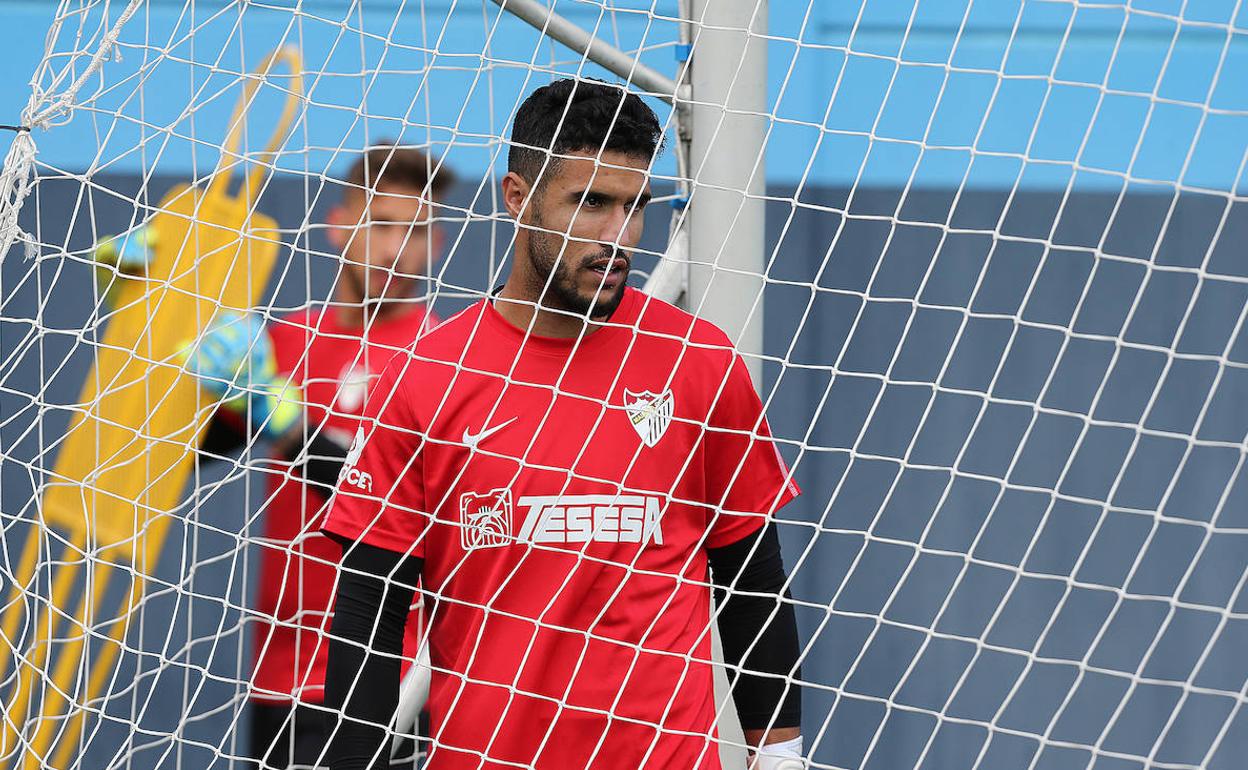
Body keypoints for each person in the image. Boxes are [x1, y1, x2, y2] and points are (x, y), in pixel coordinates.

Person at [320, 78, 804, 770]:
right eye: (592, 203)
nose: (618, 235)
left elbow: (750, 576)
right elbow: (370, 610)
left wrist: (779, 757)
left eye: (635, 207)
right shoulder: (426, 377)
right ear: (517, 198)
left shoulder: (699, 361)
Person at [178, 144, 454, 768]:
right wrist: (144, 320)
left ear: (435, 242)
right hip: (284, 668)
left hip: (403, 673)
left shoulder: (446, 355)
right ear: (338, 226)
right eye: (379, 224)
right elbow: (180, 458)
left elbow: (392, 497)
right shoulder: (285, 340)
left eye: (412, 232)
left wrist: (292, 426)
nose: (393, 250)